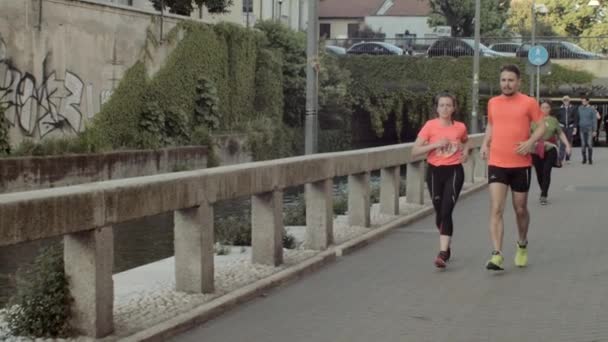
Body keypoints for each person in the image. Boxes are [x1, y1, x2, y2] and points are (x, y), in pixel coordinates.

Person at [480, 64, 545, 271]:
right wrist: (484, 144)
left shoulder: (529, 102)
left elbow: (542, 125)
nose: (506, 84)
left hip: (521, 164)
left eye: (510, 80)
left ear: (518, 82)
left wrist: (530, 142)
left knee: (520, 209)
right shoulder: (493, 102)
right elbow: (491, 124)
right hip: (497, 162)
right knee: (496, 208)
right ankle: (497, 254)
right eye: (503, 80)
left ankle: (522, 243)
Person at [412, 92, 469, 269]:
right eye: (441, 105)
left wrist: (465, 152)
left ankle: (442, 253)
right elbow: (414, 151)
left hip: (454, 172)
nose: (445, 108)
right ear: (437, 108)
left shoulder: (460, 127)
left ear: (454, 108)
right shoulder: (430, 126)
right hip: (435, 172)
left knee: (446, 211)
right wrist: (435, 145)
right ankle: (447, 243)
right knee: (439, 212)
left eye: (448, 105)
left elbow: (466, 141)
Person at [532, 99, 572, 205]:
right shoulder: (533, 120)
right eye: (542, 107)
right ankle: (543, 189)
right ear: (539, 108)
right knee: (539, 173)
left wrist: (567, 145)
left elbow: (560, 133)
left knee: (546, 171)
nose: (544, 109)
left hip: (550, 148)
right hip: (536, 150)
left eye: (547, 107)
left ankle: (544, 195)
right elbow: (527, 135)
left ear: (550, 109)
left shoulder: (553, 120)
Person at [574, 96, 598, 165]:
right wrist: (575, 127)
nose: (583, 102)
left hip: (589, 129)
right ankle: (584, 159)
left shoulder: (592, 109)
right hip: (582, 129)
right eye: (582, 101)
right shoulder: (579, 108)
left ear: (588, 101)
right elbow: (577, 118)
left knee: (589, 144)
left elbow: (594, 120)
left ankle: (590, 159)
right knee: (583, 144)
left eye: (584, 101)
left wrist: (595, 130)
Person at [557, 95, 577, 163]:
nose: (566, 101)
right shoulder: (560, 108)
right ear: (562, 101)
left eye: (567, 100)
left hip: (570, 127)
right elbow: (557, 118)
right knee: (562, 143)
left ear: (569, 101)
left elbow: (575, 118)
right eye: (564, 100)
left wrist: (575, 127)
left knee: (569, 142)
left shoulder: (573, 108)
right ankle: (560, 158)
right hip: (562, 127)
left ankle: (568, 157)